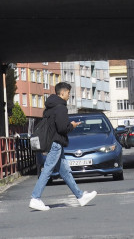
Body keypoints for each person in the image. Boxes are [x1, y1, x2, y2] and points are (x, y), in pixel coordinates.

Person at [29, 82, 97, 211]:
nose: (69, 95)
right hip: (56, 143)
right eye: (68, 93)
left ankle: (80, 196)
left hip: (53, 142)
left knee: (65, 172)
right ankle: (35, 198)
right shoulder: (60, 107)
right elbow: (62, 128)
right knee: (48, 169)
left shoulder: (50, 107)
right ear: (62, 93)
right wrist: (72, 125)